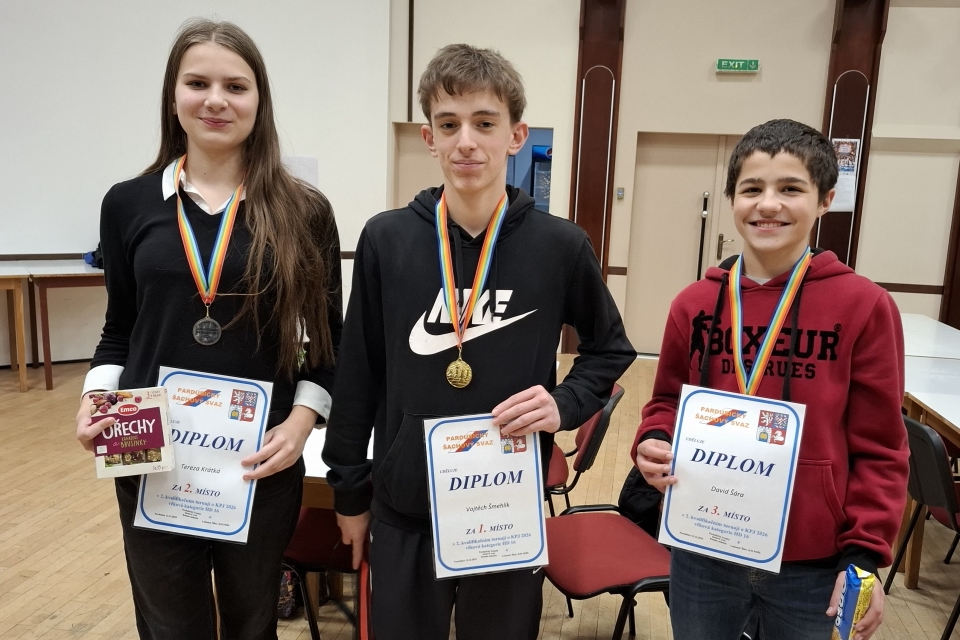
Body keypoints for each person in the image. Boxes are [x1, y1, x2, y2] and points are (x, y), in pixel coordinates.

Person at [322, 44, 635, 640]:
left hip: (505, 510)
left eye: (485, 123)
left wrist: (564, 404)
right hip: (405, 506)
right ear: (428, 138)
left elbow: (610, 349)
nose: (466, 141)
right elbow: (357, 372)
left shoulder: (559, 245)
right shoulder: (386, 239)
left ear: (515, 136)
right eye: (449, 125)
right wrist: (349, 492)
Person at [74, 19, 341, 640]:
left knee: (252, 622)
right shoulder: (127, 203)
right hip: (146, 446)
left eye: (235, 86)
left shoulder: (304, 210)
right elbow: (120, 328)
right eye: (197, 83)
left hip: (258, 458)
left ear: (259, 100)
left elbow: (330, 344)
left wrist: (300, 424)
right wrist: (93, 398)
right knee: (169, 624)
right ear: (174, 96)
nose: (215, 100)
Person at [634, 119, 909, 640]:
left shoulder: (863, 306)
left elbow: (881, 445)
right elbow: (666, 401)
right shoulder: (694, 304)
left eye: (790, 189)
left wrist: (864, 556)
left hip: (811, 564)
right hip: (703, 549)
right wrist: (653, 439)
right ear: (731, 199)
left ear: (825, 200)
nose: (768, 204)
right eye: (752, 188)